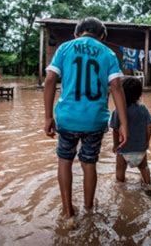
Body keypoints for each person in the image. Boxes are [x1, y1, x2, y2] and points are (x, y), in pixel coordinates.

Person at [44, 17, 129, 220]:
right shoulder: (108, 53)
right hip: (95, 121)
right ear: (102, 36)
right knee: (89, 164)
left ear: (77, 33)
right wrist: (124, 124)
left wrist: (48, 116)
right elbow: (116, 87)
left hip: (67, 118)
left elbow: (49, 80)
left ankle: (68, 212)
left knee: (64, 161)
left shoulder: (65, 48)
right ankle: (89, 210)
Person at [110, 76, 151, 187]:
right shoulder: (143, 109)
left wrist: (115, 145)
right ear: (139, 94)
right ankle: (148, 186)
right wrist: (146, 141)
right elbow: (149, 126)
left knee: (120, 173)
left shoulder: (117, 111)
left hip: (124, 150)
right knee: (144, 168)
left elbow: (115, 130)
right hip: (140, 149)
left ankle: (120, 190)